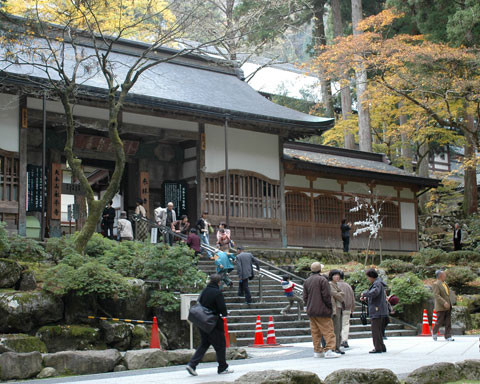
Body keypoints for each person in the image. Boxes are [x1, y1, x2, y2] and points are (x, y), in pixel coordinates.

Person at [186, 274, 233, 376]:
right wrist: (225, 313)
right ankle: (222, 367)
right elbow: (222, 309)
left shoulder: (204, 291)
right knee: (220, 345)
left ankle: (192, 364)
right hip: (213, 322)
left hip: (202, 321)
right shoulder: (217, 293)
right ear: (219, 282)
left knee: (205, 343)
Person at [303, 262, 341, 359]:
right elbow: (326, 296)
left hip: (311, 310)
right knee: (328, 331)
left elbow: (305, 297)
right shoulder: (322, 280)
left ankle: (317, 350)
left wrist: (308, 306)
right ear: (320, 269)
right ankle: (329, 350)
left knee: (315, 332)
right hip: (322, 310)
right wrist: (329, 307)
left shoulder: (307, 281)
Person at [361, 269, 388, 353]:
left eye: (368, 277)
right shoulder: (379, 283)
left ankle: (378, 347)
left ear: (371, 277)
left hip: (377, 310)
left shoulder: (377, 284)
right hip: (380, 309)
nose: (368, 279)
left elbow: (375, 292)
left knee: (375, 330)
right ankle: (381, 346)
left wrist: (365, 293)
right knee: (379, 330)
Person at [432, 270, 454, 341]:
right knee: (440, 321)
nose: (445, 276)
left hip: (448, 305)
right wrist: (444, 302)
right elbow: (436, 295)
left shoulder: (445, 284)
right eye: (444, 274)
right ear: (440, 276)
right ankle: (434, 332)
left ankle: (448, 336)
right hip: (441, 306)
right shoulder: (436, 284)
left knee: (448, 321)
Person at [328, 270, 345, 354]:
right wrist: (340, 294)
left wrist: (340, 294)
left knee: (339, 328)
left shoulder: (336, 285)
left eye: (338, 275)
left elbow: (339, 295)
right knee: (336, 328)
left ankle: (337, 346)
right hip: (335, 309)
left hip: (339, 307)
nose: (337, 277)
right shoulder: (330, 284)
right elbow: (337, 295)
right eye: (335, 275)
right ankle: (335, 347)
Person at [338, 272, 355, 349]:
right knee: (345, 324)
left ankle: (339, 340)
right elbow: (352, 298)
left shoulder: (335, 285)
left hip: (338, 307)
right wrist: (352, 308)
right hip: (347, 307)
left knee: (338, 324)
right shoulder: (348, 286)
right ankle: (344, 340)